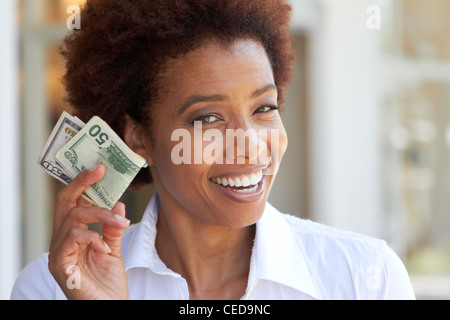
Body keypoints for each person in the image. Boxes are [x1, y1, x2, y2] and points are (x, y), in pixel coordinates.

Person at [11, 0, 415, 300]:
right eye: (207, 119)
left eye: (264, 108)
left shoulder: (366, 279)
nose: (251, 144)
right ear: (139, 139)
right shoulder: (51, 288)